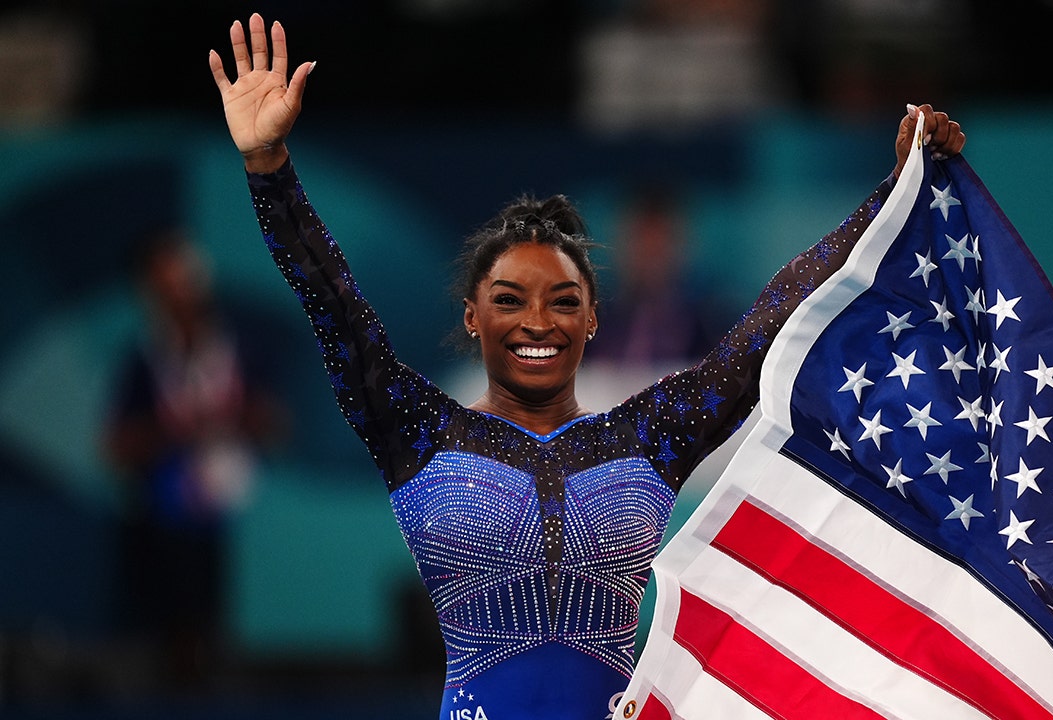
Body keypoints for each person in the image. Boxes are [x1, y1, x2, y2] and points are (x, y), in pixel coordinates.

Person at [209, 13, 963, 719]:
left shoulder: (646, 438)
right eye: (510, 299)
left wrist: (890, 198)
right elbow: (327, 294)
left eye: (562, 300)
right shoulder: (418, 431)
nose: (537, 321)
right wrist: (267, 164)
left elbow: (773, 325)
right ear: (473, 318)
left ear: (594, 317)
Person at [102, 225, 282, 692]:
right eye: (162, 282)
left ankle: (209, 665)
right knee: (169, 620)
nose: (175, 290)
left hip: (230, 516)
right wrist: (172, 429)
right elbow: (117, 447)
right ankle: (179, 665)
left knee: (216, 629)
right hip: (162, 522)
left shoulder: (234, 349)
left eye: (182, 277)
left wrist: (240, 417)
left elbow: (274, 424)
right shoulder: (142, 360)